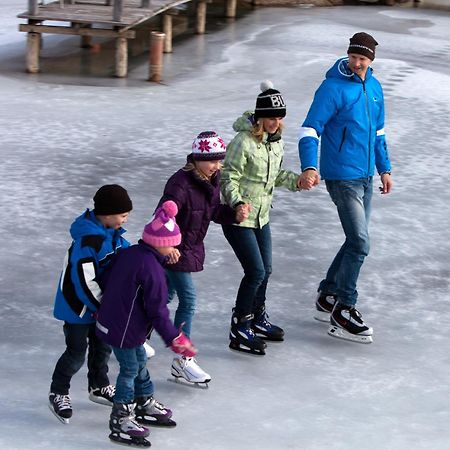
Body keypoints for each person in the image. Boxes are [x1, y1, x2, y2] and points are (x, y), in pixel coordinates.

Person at [298, 32, 393, 344]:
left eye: (363, 58)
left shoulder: (374, 88)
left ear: (371, 60)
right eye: (353, 56)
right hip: (341, 175)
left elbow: (378, 132)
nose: (357, 62)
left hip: (366, 175)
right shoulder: (331, 87)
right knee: (360, 242)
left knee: (355, 240)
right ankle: (344, 308)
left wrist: (385, 169)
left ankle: (328, 295)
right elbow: (311, 128)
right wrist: (310, 166)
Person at [95, 201, 197, 447]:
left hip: (113, 322)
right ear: (162, 243)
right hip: (124, 330)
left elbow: (106, 278)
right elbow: (158, 312)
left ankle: (145, 402)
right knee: (130, 369)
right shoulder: (152, 271)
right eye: (173, 243)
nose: (175, 248)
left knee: (139, 362)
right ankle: (121, 417)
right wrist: (175, 338)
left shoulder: (131, 253)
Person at [156, 131, 247, 385]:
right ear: (196, 158)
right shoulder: (180, 184)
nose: (217, 166)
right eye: (211, 160)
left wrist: (233, 215)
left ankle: (135, 333)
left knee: (164, 295)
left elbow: (213, 210)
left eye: (220, 160)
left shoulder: (212, 179)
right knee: (188, 299)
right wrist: (165, 247)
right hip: (174, 250)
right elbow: (163, 215)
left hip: (189, 247)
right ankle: (182, 359)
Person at [220, 81, 302, 356]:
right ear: (259, 116)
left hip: (262, 216)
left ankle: (257, 317)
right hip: (238, 218)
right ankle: (240, 326)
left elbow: (276, 176)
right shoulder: (242, 142)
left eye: (279, 118)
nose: (275, 123)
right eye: (270, 118)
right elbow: (227, 176)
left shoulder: (275, 143)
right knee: (255, 271)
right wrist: (237, 202)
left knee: (265, 270)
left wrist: (298, 181)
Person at [49, 184, 133, 423]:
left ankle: (99, 385)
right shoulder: (88, 242)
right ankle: (59, 391)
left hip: (99, 308)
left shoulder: (113, 236)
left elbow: (127, 256)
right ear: (107, 214)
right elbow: (85, 283)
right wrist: (104, 308)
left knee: (102, 347)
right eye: (123, 215)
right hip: (78, 308)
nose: (125, 221)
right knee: (76, 352)